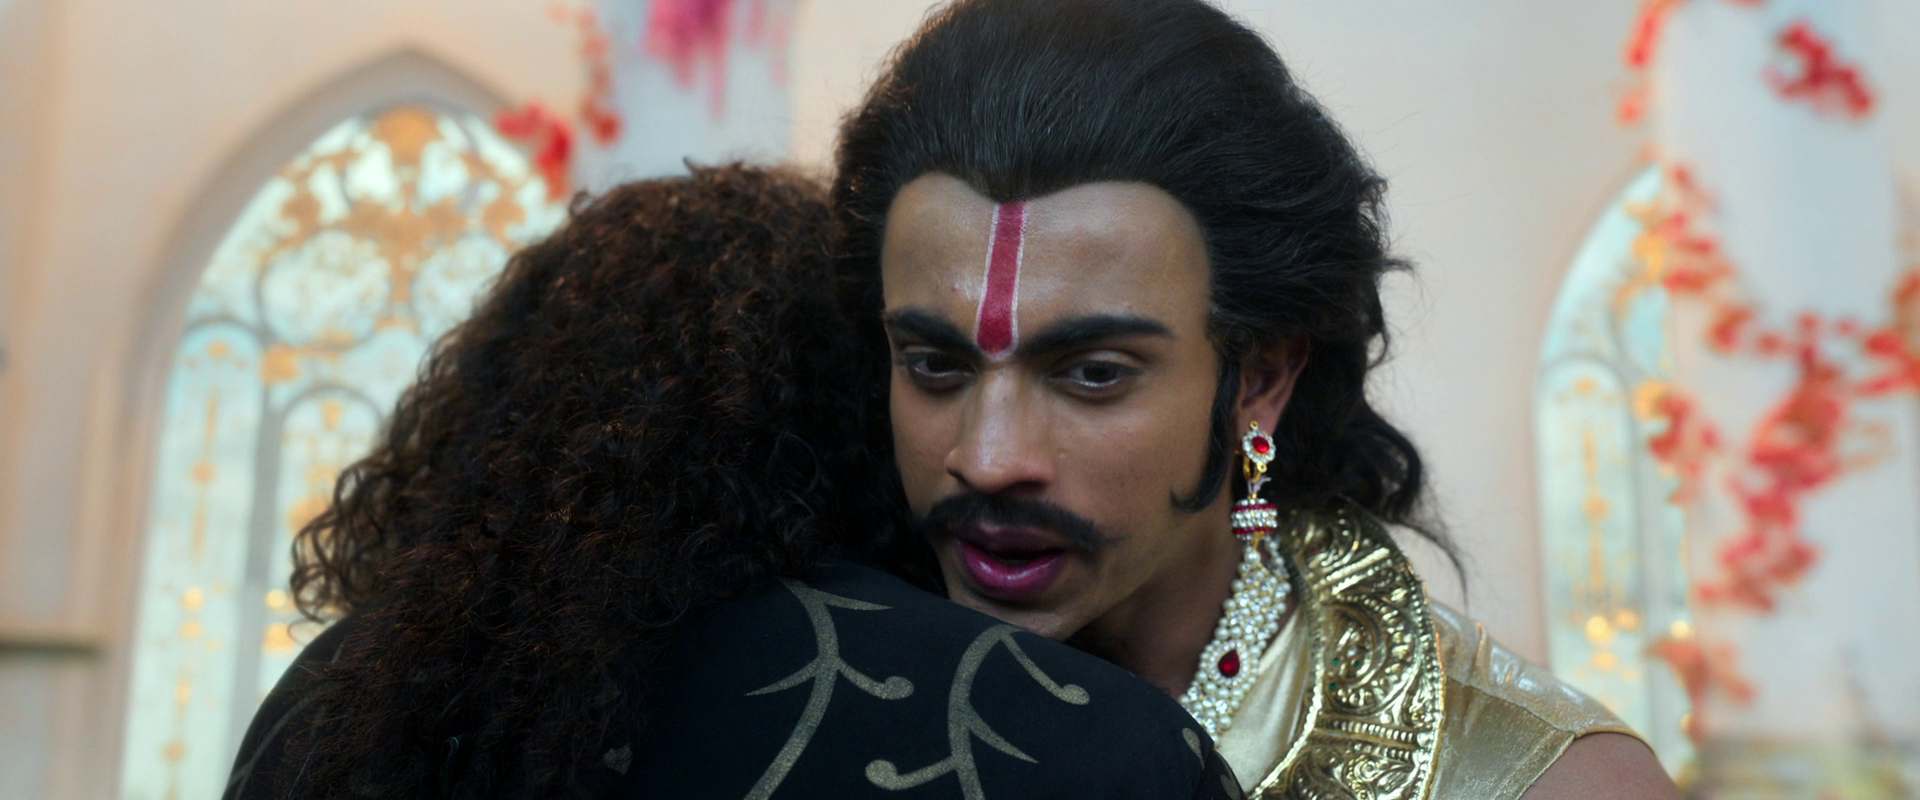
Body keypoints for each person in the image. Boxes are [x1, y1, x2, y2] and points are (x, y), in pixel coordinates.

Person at [829, 1, 1682, 797]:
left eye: (1094, 374)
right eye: (934, 365)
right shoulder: (793, 706)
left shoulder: (1540, 781)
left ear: (1261, 379)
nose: (988, 458)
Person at [224, 166, 1239, 799]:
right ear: (858, 399)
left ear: (500, 415)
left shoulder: (340, 706)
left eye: (1094, 374)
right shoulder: (1091, 740)